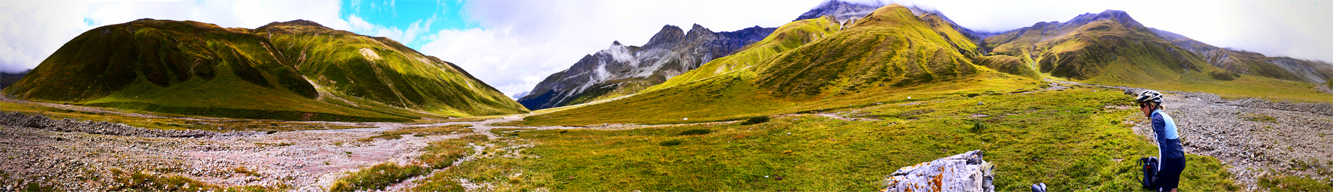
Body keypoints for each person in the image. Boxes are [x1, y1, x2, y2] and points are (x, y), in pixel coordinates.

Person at [1137, 90, 1185, 192]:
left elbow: (1162, 148)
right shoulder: (1163, 115)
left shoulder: (1156, 120)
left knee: (1161, 188)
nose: (1141, 108)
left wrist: (1159, 171)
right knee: (1172, 188)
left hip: (1171, 161)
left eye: (1142, 105)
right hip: (1179, 160)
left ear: (1152, 106)